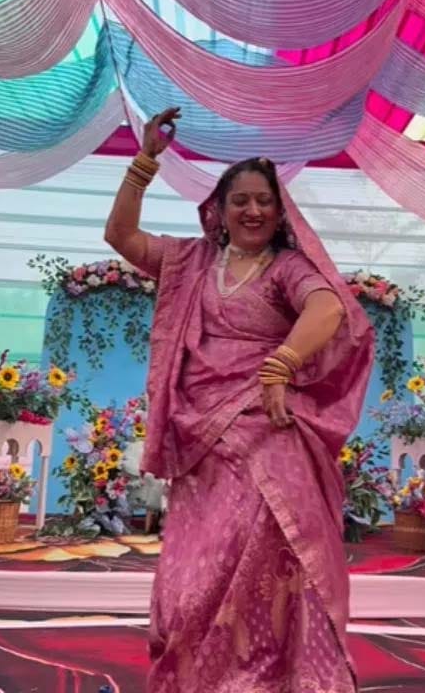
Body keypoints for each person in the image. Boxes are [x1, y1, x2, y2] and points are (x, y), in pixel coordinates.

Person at [103, 108, 375, 692]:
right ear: (219, 211)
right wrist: (144, 162)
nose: (253, 210)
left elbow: (328, 308)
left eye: (264, 201)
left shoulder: (288, 267)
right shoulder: (191, 262)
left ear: (280, 212)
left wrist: (282, 363)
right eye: (240, 201)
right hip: (200, 441)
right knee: (194, 575)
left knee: (258, 561)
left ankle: (269, 678)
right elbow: (121, 237)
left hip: (266, 437)